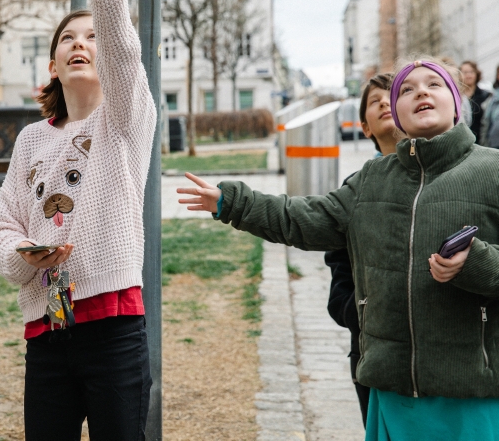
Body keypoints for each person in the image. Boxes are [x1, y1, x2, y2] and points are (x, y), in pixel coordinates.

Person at [178, 57, 499, 440]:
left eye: (435, 84)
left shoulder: (492, 170)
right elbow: (302, 217)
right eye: (407, 89)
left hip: (474, 390)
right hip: (394, 387)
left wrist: (474, 262)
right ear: (394, 110)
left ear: (457, 101)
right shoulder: (370, 180)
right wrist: (230, 201)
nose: (422, 93)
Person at [0, 0, 156, 441]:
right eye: (67, 40)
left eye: (90, 38)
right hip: (46, 329)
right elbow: (1, 226)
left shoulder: (127, 120)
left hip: (113, 327)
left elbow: (121, 39)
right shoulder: (32, 139)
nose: (81, 45)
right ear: (53, 64)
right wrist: (21, 255)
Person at [324, 73, 398, 426]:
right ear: (365, 127)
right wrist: (356, 313)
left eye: (393, 95)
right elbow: (339, 264)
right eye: (374, 100)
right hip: (369, 348)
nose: (385, 102)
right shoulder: (356, 188)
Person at [460, 60, 490, 144]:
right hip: (463, 142)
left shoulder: (486, 95)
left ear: (476, 74)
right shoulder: (457, 97)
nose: (468, 75)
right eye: (465, 72)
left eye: (471, 72)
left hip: (482, 141)